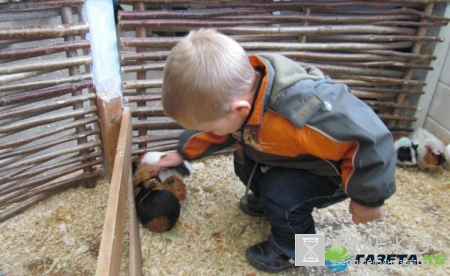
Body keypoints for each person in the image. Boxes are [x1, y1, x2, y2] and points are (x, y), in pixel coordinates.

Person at [153, 28, 396, 273]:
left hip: (341, 173)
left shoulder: (304, 112)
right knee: (244, 160)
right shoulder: (243, 90)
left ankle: (297, 251)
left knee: (279, 196)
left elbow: (372, 141)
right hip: (288, 154)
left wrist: (367, 198)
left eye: (211, 125)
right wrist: (182, 153)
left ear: (239, 109)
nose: (212, 131)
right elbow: (217, 131)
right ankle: (272, 207)